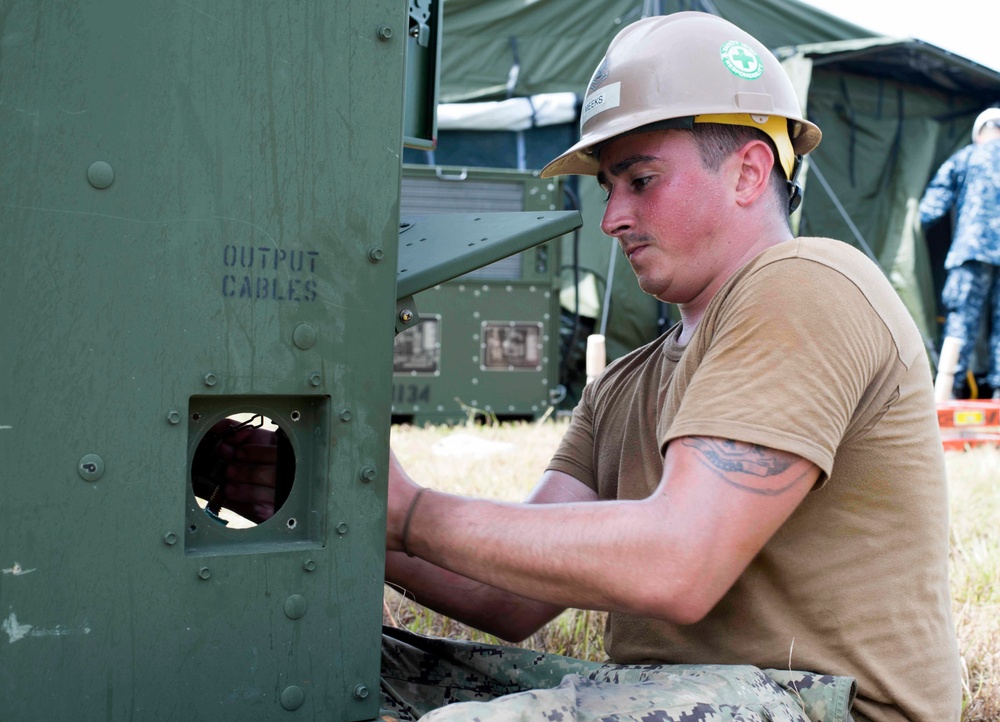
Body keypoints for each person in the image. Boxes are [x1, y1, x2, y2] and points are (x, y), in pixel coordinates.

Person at [211, 12, 960, 722]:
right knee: (293, 667)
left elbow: (678, 563)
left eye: (641, 180)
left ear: (748, 171)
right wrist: (330, 502)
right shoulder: (629, 379)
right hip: (675, 696)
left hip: (820, 707)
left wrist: (405, 511)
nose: (612, 217)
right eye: (608, 189)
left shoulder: (809, 281)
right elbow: (507, 599)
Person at [920, 107, 1000, 399]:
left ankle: (948, 391)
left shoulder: (967, 156)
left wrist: (914, 232)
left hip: (972, 252)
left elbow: (931, 207)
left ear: (979, 133)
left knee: (961, 320)